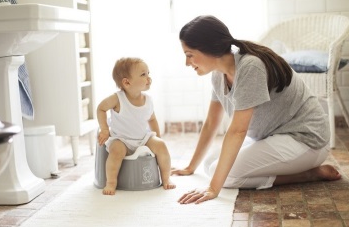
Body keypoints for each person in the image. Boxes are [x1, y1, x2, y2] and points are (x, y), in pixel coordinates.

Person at [172, 15, 341, 204]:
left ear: (209, 48)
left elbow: (237, 131)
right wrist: (190, 166)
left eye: (189, 55)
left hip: (306, 140)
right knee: (209, 164)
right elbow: (212, 122)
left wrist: (213, 188)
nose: (187, 63)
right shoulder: (218, 76)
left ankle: (308, 175)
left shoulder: (251, 66)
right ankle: (304, 172)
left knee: (227, 176)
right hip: (273, 137)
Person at [97, 57, 176, 195]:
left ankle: (166, 178)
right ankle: (111, 183)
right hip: (121, 139)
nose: (149, 78)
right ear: (127, 82)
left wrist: (157, 137)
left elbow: (152, 119)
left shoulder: (148, 100)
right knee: (116, 151)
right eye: (143, 74)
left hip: (143, 138)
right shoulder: (117, 98)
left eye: (148, 73)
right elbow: (101, 108)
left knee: (161, 146)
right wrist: (104, 129)